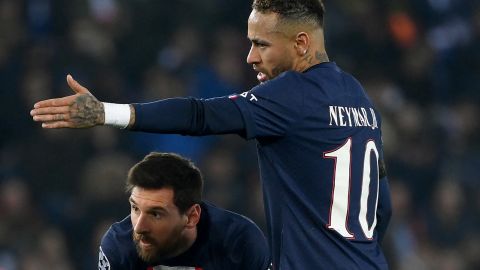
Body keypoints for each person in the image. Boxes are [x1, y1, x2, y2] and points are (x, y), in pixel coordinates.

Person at [31, 0, 392, 269]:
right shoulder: (358, 98)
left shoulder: (292, 94)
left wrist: (108, 113)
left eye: (262, 44)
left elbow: (201, 114)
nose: (250, 57)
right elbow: (382, 207)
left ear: (300, 44)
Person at [98, 152, 271, 270]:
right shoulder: (119, 246)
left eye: (156, 214)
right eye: (136, 208)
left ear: (191, 217)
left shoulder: (240, 242)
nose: (139, 227)